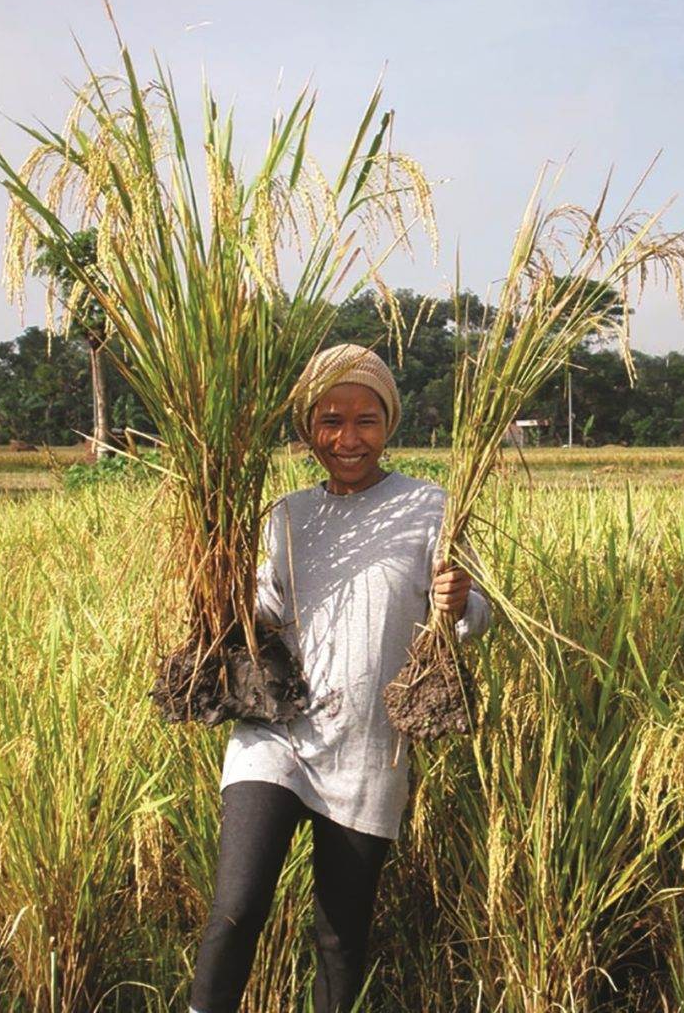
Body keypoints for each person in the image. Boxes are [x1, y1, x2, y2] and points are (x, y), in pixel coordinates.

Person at [189, 343, 491, 1013]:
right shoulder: (288, 515)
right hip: (278, 735)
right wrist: (220, 593)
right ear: (307, 429)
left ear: (390, 424)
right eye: (330, 421)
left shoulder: (429, 507)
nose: (348, 439)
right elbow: (268, 612)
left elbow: (475, 616)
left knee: (340, 933)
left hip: (367, 749)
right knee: (236, 909)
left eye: (366, 421)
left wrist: (456, 600)